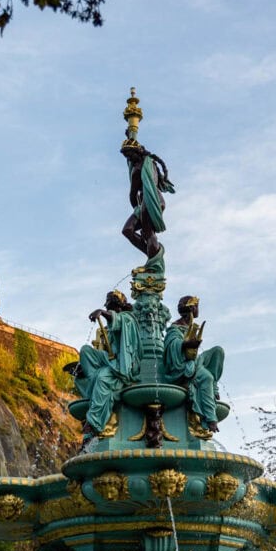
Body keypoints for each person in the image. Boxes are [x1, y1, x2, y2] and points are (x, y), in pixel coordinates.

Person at [74, 290, 141, 444]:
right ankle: (93, 380)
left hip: (123, 364)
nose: (107, 307)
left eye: (109, 305)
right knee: (85, 351)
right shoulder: (112, 324)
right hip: (111, 360)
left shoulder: (127, 318)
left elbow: (118, 320)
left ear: (116, 305)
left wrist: (102, 313)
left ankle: (94, 422)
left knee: (102, 378)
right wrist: (84, 365)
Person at [163, 295, 224, 432]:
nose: (198, 309)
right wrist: (186, 344)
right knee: (206, 377)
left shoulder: (189, 325)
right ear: (191, 308)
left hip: (194, 360)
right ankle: (211, 418)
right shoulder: (176, 328)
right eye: (196, 306)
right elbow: (171, 345)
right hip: (182, 366)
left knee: (217, 352)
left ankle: (213, 386)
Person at [121, 138, 175, 258]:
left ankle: (153, 262)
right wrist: (131, 134)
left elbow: (132, 194)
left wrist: (136, 209)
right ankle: (153, 256)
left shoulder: (138, 169)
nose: (129, 159)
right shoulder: (149, 162)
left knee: (146, 232)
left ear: (137, 152)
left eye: (129, 155)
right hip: (156, 200)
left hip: (149, 201)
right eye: (127, 156)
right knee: (129, 230)